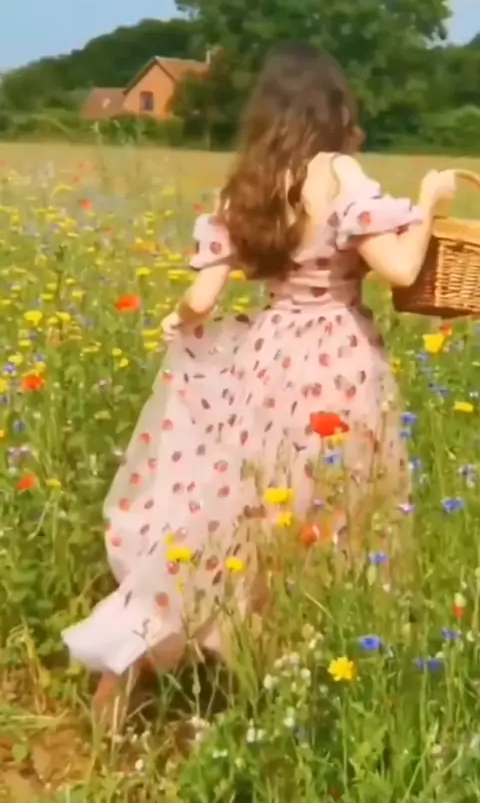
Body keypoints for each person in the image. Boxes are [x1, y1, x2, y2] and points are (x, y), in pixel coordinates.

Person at [63, 43, 455, 726]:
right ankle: (295, 689)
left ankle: (125, 679)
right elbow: (398, 269)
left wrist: (180, 322)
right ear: (332, 108)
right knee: (331, 523)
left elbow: (200, 300)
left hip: (266, 360)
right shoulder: (340, 172)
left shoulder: (250, 183)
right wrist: (427, 201)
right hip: (337, 365)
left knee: (226, 520)